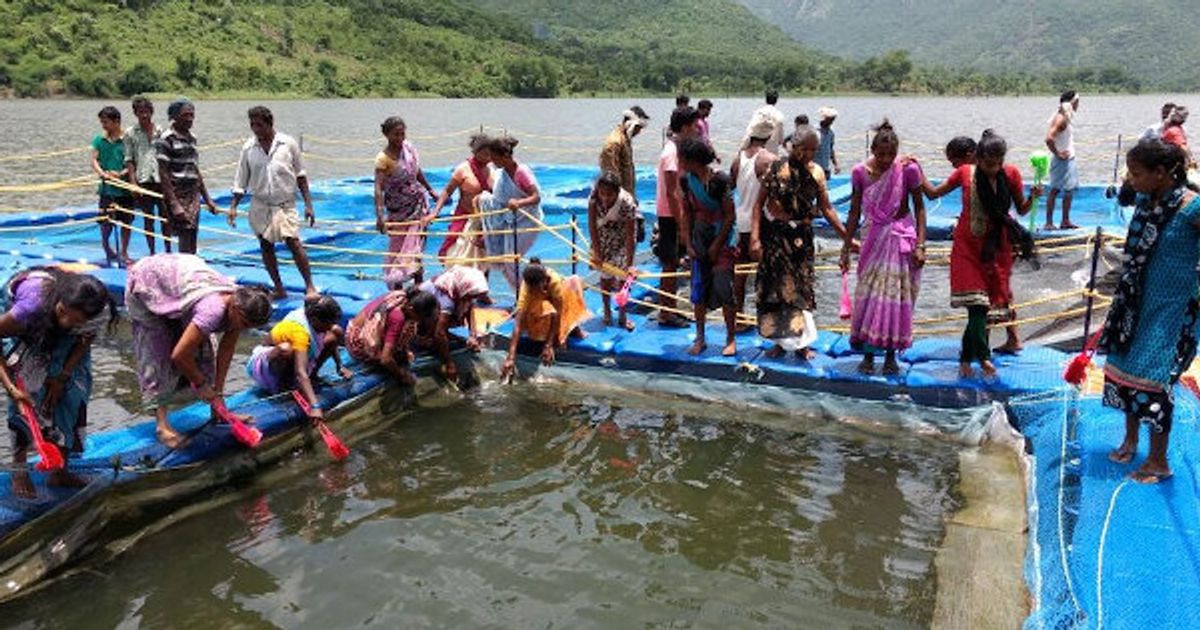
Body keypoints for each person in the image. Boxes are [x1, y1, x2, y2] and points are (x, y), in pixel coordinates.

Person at [1100, 139, 1200, 484]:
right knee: (1123, 367)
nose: (1132, 178)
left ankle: (1158, 460)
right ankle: (1130, 439)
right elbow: (1125, 194)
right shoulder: (1146, 199)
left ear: (1161, 174)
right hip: (1134, 302)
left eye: (1137, 173)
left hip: (1172, 310)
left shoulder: (1192, 208)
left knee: (1154, 379)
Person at [922, 130, 1039, 378]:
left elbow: (1022, 210)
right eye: (988, 164)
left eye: (998, 164)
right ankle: (981, 358)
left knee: (984, 311)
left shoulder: (1012, 174)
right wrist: (915, 169)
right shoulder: (965, 172)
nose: (993, 169)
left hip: (997, 250)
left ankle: (969, 359)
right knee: (976, 307)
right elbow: (932, 193)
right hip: (967, 249)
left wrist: (1033, 197)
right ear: (978, 157)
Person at [125, 254, 273, 447]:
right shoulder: (213, 310)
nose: (244, 328)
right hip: (149, 283)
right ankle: (162, 425)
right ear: (235, 308)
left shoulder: (242, 304)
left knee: (205, 353)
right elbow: (179, 355)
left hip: (179, 282)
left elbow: (226, 350)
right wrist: (201, 384)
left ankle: (217, 412)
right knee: (157, 351)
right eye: (243, 323)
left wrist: (218, 399)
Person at [0, 267, 116, 497]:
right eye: (64, 312)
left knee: (73, 393)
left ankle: (60, 471)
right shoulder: (30, 307)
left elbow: (84, 340)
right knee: (28, 396)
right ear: (59, 300)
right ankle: (19, 470)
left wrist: (62, 377)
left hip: (63, 332)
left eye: (75, 320)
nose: (65, 322)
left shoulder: (98, 314)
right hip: (33, 323)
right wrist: (12, 387)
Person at [751, 126, 851, 359]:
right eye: (806, 150)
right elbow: (759, 205)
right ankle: (778, 341)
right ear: (795, 147)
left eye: (814, 150)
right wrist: (755, 238)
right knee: (774, 290)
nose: (810, 155)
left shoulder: (816, 172)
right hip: (776, 237)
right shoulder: (776, 169)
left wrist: (847, 237)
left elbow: (827, 208)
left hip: (801, 239)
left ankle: (801, 344)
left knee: (800, 290)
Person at [840, 121, 926, 375]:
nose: (886, 159)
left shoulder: (907, 170)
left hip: (900, 238)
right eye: (881, 154)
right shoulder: (859, 172)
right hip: (872, 239)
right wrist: (846, 248)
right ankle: (868, 354)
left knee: (895, 299)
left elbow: (919, 207)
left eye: (891, 154)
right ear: (872, 150)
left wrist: (921, 244)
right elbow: (854, 211)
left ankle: (890, 356)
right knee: (869, 297)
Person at [228, 106, 318, 299]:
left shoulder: (287, 144)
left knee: (293, 242)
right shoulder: (249, 148)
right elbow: (241, 179)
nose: (255, 129)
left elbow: (301, 175)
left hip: (285, 203)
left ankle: (310, 285)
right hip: (261, 204)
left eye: (259, 124)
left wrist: (308, 205)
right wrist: (234, 206)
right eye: (252, 124)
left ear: (270, 123)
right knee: (265, 245)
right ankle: (279, 287)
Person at [676, 137, 737, 357]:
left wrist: (717, 245)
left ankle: (731, 338)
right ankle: (700, 338)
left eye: (682, 157)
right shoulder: (686, 181)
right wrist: (688, 243)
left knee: (724, 287)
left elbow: (730, 216)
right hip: (700, 236)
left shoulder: (720, 180)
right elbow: (687, 212)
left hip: (722, 237)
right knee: (698, 290)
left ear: (693, 160)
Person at [247, 295, 350, 419]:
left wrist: (340, 365)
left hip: (299, 359)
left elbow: (311, 298)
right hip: (265, 367)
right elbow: (300, 371)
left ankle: (312, 376)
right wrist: (315, 406)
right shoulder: (300, 332)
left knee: (336, 333)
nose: (329, 327)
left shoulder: (312, 311)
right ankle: (283, 389)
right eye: (327, 323)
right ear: (315, 319)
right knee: (286, 349)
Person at [373, 116, 436, 289]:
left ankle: (418, 286)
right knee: (398, 247)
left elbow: (416, 172)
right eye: (395, 134)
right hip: (397, 209)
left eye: (402, 133)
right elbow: (378, 188)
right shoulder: (383, 159)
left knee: (416, 245)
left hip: (416, 204)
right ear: (386, 135)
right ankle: (398, 287)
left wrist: (430, 189)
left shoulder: (408, 149)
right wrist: (380, 216)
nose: (400, 138)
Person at [474, 136, 543, 293]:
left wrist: (519, 203)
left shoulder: (521, 172)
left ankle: (529, 293)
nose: (492, 162)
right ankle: (522, 294)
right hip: (510, 221)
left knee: (511, 261)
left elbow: (536, 197)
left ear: (505, 156)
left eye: (495, 158)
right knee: (507, 263)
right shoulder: (501, 173)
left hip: (527, 221)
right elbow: (499, 200)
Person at [499, 259, 589, 379]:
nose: (534, 292)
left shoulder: (555, 282)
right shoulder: (526, 288)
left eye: (536, 289)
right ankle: (543, 333)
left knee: (561, 315)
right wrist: (510, 357)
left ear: (543, 282)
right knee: (538, 310)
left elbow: (558, 313)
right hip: (542, 310)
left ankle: (573, 329)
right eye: (532, 290)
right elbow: (518, 324)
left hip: (560, 305)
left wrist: (549, 345)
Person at [654, 106, 700, 326]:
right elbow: (672, 192)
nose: (697, 129)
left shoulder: (676, 149)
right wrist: (682, 223)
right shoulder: (671, 153)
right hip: (670, 215)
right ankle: (666, 312)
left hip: (675, 214)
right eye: (694, 125)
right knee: (670, 264)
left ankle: (669, 308)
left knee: (673, 263)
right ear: (684, 127)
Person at [156, 98, 220, 255]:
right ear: (175, 116)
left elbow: (195, 171)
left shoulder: (192, 138)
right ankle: (184, 273)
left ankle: (190, 269)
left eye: (192, 115)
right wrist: (173, 203)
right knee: (184, 234)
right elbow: (163, 173)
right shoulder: (166, 139)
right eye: (186, 115)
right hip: (177, 193)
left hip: (193, 194)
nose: (190, 119)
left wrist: (208, 199)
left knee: (192, 235)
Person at [346, 288, 443, 386]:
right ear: (411, 309)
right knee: (396, 361)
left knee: (408, 331)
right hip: (357, 343)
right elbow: (386, 359)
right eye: (421, 318)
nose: (421, 321)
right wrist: (402, 376)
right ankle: (374, 357)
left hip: (362, 330)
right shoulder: (398, 318)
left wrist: (404, 349)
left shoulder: (403, 297)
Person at [729, 118, 777, 316]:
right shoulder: (770, 159)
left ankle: (738, 315)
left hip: (741, 221)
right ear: (768, 137)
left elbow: (730, 188)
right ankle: (767, 318)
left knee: (740, 273)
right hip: (763, 222)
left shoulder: (737, 160)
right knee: (768, 273)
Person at [430, 134, 493, 261]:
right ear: (476, 152)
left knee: (484, 255)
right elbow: (447, 191)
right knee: (455, 248)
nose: (488, 157)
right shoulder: (463, 169)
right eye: (485, 154)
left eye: (490, 154)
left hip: (486, 218)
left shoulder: (492, 168)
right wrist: (434, 213)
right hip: (465, 216)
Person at [587, 172, 638, 330]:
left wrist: (629, 264)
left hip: (622, 239)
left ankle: (623, 314)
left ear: (617, 192)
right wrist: (597, 252)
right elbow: (592, 227)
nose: (606, 198)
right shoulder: (594, 200)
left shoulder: (627, 203)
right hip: (603, 238)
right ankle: (607, 311)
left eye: (610, 195)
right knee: (605, 275)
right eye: (603, 194)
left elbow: (630, 234)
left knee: (624, 277)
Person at [124, 96, 170, 255]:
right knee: (148, 218)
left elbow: (166, 156)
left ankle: (168, 250)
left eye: (147, 112)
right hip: (143, 180)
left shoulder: (161, 131)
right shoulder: (130, 133)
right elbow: (129, 159)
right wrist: (133, 183)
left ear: (152, 112)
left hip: (161, 180)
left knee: (166, 217)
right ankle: (152, 252)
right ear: (135, 113)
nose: (144, 115)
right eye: (140, 112)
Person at [599, 106, 649, 243]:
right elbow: (610, 180)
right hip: (617, 203)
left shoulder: (625, 139)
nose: (638, 132)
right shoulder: (614, 143)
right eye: (638, 128)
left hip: (627, 199)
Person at [91, 105, 133, 267]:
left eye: (106, 122)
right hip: (106, 187)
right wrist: (102, 173)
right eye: (102, 122)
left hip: (124, 188)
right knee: (105, 221)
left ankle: (124, 251)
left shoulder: (127, 140)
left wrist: (121, 174)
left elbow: (132, 161)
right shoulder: (99, 140)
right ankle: (106, 247)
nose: (104, 125)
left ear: (117, 121)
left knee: (126, 221)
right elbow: (94, 159)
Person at [419, 265, 491, 353]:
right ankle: (426, 337)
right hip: (421, 316)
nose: (474, 298)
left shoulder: (461, 288)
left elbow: (470, 308)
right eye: (473, 296)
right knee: (436, 339)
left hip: (436, 311)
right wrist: (449, 363)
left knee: (458, 313)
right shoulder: (447, 297)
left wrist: (473, 336)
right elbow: (440, 333)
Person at [1044, 91, 1080, 230]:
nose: (1078, 105)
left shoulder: (1065, 116)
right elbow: (1049, 138)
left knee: (1069, 190)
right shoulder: (1061, 119)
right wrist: (1058, 153)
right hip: (1062, 161)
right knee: (1055, 190)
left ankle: (1065, 220)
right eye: (1077, 102)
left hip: (1069, 159)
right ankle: (1048, 223)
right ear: (1071, 103)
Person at [743, 89, 785, 154]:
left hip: (753, 152)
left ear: (766, 100)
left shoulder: (758, 113)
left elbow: (749, 132)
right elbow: (781, 141)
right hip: (772, 153)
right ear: (776, 100)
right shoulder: (779, 115)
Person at [814, 106, 840, 178]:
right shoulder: (814, 131)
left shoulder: (831, 132)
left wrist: (836, 164)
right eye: (830, 119)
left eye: (833, 119)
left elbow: (831, 149)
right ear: (824, 118)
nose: (832, 122)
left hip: (825, 168)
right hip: (814, 168)